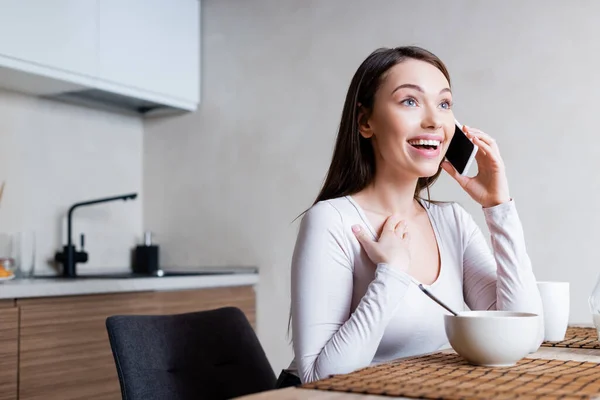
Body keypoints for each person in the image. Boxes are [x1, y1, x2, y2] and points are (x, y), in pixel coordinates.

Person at [277, 46, 543, 387]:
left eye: (444, 104)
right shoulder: (332, 220)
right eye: (410, 101)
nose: (434, 120)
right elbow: (319, 377)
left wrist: (498, 207)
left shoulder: (453, 223)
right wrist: (390, 275)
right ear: (365, 121)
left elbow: (525, 335)